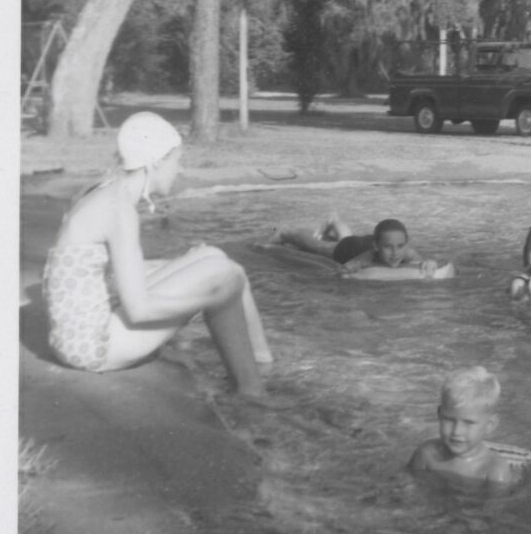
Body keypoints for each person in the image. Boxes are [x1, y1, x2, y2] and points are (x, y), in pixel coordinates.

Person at [43, 111, 275, 401]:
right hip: (91, 346)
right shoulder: (119, 210)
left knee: (213, 256)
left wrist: (186, 270)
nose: (180, 170)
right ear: (154, 163)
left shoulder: (104, 191)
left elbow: (95, 271)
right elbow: (138, 310)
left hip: (78, 330)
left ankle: (262, 364)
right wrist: (208, 298)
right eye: (177, 161)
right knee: (224, 278)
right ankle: (252, 394)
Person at [408, 367, 527, 491]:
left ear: (489, 425)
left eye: (469, 423)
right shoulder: (426, 455)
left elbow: (494, 509)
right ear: (439, 415)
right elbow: (405, 488)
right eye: (449, 419)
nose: (456, 431)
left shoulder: (494, 471)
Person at [271, 216, 444, 278]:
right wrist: (345, 272)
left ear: (406, 244)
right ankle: (287, 233)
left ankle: (335, 221)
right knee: (319, 247)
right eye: (389, 248)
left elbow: (424, 264)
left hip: (374, 240)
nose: (395, 253)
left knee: (347, 237)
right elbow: (345, 270)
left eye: (400, 246)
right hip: (351, 249)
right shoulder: (367, 257)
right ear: (377, 247)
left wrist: (430, 264)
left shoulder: (407, 253)